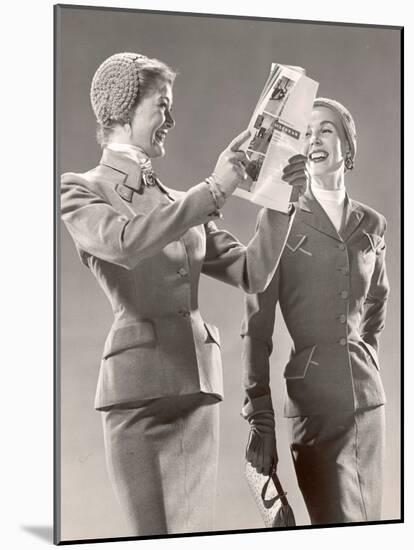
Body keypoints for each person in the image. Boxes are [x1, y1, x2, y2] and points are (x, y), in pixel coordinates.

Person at [60, 52, 307, 536]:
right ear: (121, 109)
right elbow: (125, 244)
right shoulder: (80, 190)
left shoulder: (180, 201)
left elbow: (251, 272)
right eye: (162, 107)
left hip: (196, 390)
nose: (171, 120)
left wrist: (280, 198)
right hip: (135, 399)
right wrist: (214, 189)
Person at [242, 97, 390, 525]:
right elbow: (256, 326)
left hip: (368, 406)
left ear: (347, 144)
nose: (314, 139)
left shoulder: (373, 224)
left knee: (369, 525)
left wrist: (366, 359)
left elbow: (378, 300)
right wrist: (260, 417)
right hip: (314, 407)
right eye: (306, 133)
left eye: (325, 129)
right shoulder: (280, 219)